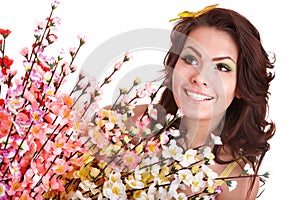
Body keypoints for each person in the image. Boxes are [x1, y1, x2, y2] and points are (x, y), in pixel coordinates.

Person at [132, 4, 275, 200]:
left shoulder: (236, 181)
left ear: (241, 86)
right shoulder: (123, 124)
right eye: (190, 59)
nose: (200, 77)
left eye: (222, 67)